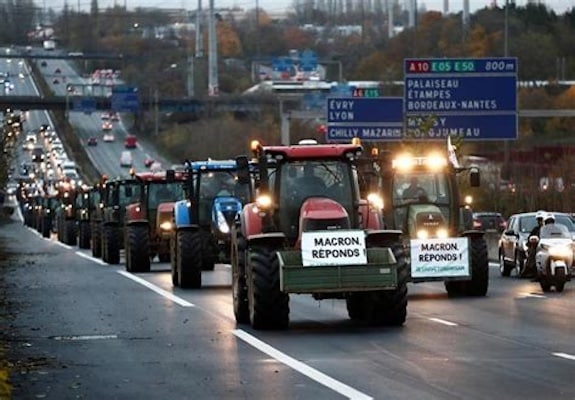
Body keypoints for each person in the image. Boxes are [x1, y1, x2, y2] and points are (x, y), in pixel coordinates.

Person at [523, 210, 546, 278]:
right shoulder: (536, 229)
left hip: (548, 247)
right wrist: (531, 242)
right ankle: (531, 269)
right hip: (538, 247)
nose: (540, 222)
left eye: (541, 220)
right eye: (538, 220)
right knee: (533, 253)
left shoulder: (552, 229)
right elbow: (530, 238)